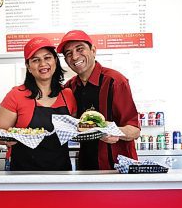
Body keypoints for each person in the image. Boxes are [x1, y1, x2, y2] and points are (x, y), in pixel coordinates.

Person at [57, 30, 140, 170]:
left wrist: (113, 131)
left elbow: (134, 130)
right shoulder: (69, 87)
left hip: (118, 167)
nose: (75, 56)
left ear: (93, 50)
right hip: (86, 167)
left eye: (80, 49)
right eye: (68, 53)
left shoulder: (115, 81)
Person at [0, 37, 77, 171]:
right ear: (28, 66)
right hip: (23, 173)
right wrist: (5, 139)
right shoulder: (16, 95)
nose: (43, 64)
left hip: (61, 172)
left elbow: (74, 129)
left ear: (55, 60)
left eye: (47, 58)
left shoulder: (67, 95)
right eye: (36, 60)